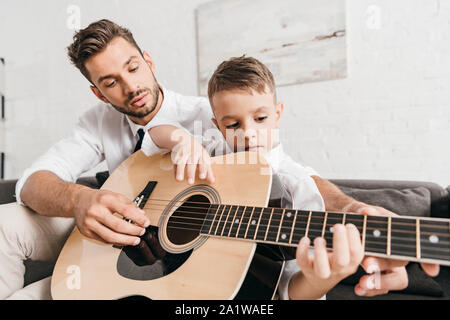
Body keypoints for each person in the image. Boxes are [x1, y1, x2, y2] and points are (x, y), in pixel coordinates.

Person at [0, 19, 438, 300]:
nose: (129, 86)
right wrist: (80, 200)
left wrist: (354, 209)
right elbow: (32, 181)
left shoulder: (216, 116)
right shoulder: (96, 122)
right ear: (98, 91)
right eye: (111, 82)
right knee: (4, 221)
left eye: (133, 68)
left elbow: (288, 173)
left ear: (148, 61)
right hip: (103, 235)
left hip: (159, 271)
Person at [146, 56, 441, 299]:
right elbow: (156, 131)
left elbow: (287, 290)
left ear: (278, 114)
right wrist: (181, 141)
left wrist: (323, 278)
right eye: (233, 123)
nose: (248, 133)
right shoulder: (210, 149)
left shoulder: (294, 185)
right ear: (218, 127)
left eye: (260, 119)